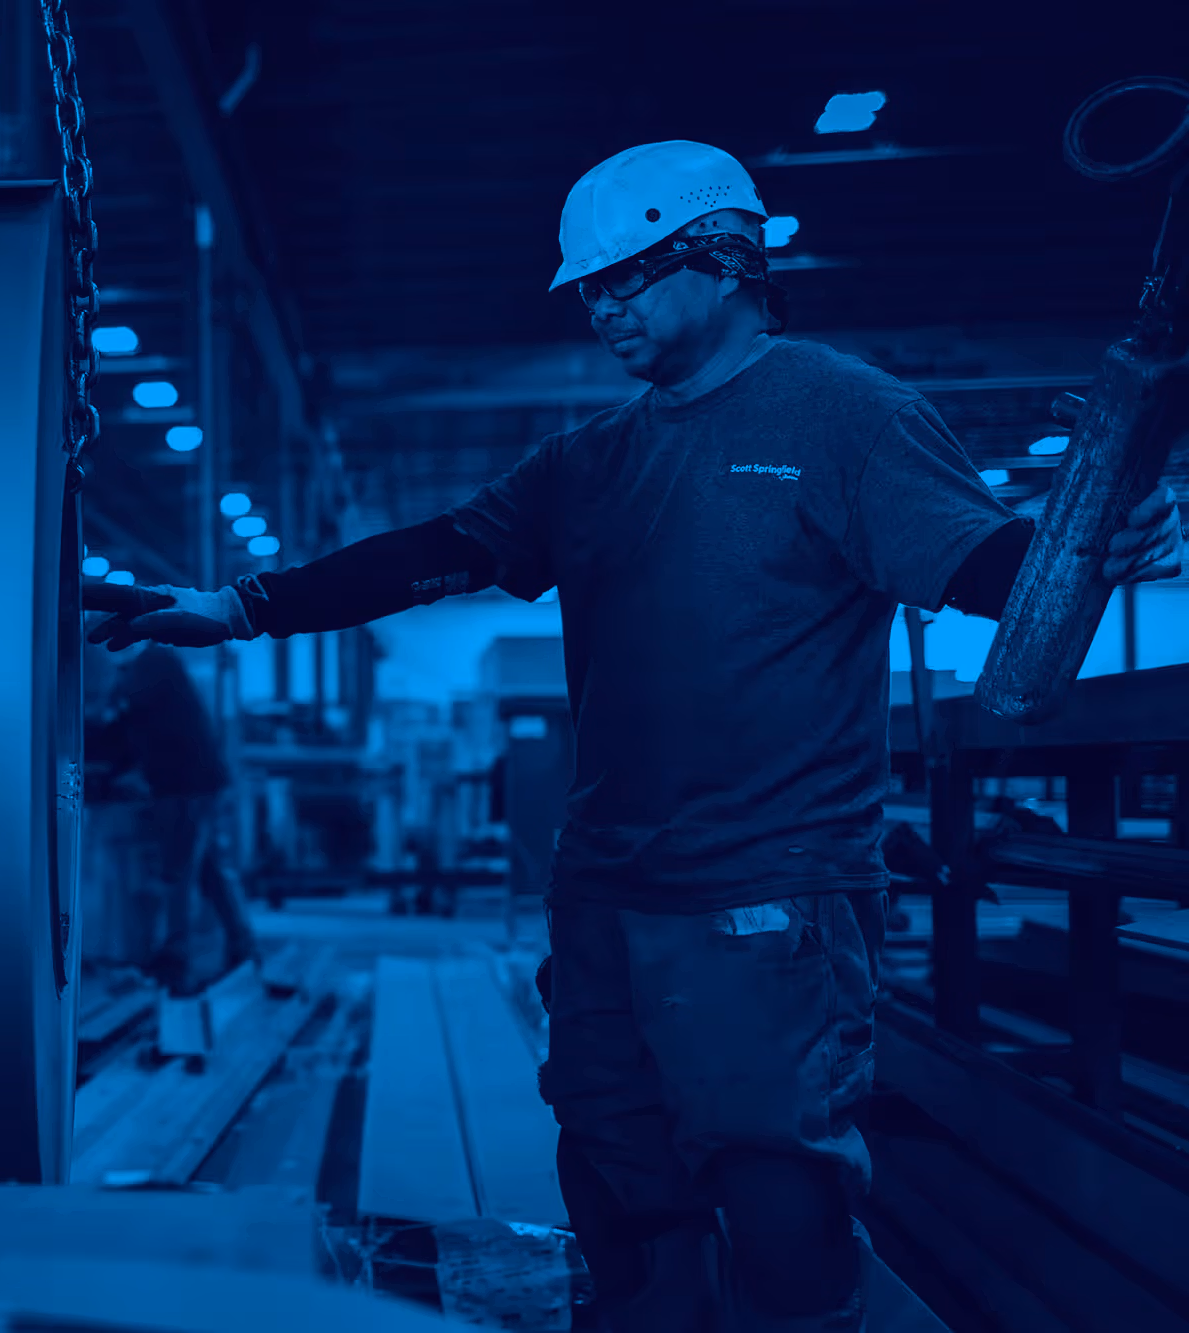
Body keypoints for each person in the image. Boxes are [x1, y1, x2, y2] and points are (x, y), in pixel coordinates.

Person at [83, 140, 1184, 1333]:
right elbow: (426, 555)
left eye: (625, 279)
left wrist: (1087, 540)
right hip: (606, 886)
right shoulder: (587, 463)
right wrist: (241, 607)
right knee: (613, 1170)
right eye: (588, 288)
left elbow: (986, 574)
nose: (601, 306)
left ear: (723, 262)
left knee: (774, 1183)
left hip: (766, 889)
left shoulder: (843, 414)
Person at [85, 638, 261, 994]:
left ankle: (176, 960)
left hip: (185, 784)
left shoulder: (154, 662)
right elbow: (126, 730)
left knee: (177, 871)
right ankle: (243, 944)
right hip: (195, 782)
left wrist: (95, 722)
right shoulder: (149, 668)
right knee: (207, 870)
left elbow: (120, 714)